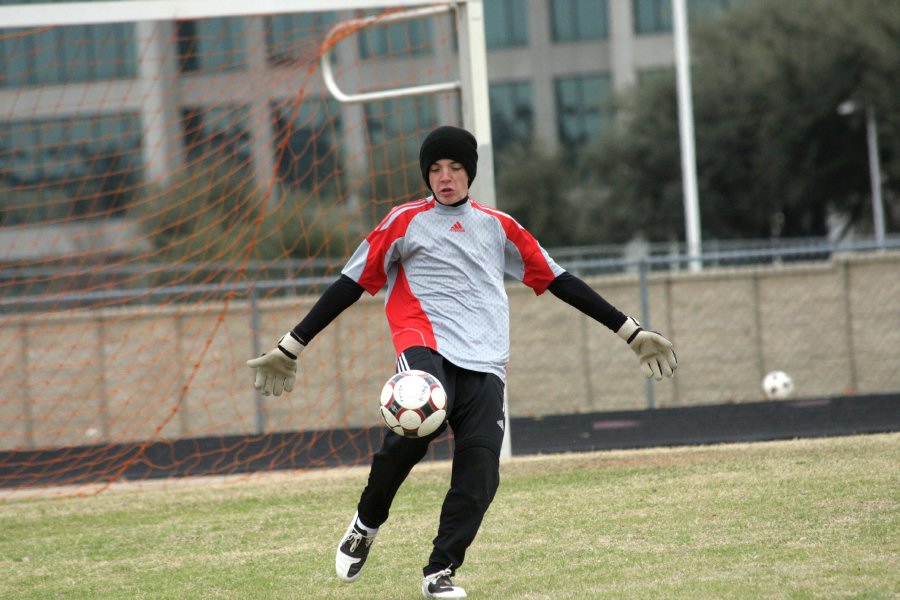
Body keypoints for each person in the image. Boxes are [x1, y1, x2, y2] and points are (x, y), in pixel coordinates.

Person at [247, 125, 677, 599]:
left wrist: (630, 331)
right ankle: (366, 523)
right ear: (425, 176)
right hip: (424, 342)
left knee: (481, 471)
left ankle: (439, 572)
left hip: (486, 359)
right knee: (417, 427)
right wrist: (292, 346)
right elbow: (350, 285)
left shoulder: (499, 226)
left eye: (454, 168)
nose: (445, 177)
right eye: (435, 169)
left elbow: (560, 280)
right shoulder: (402, 221)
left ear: (470, 173)